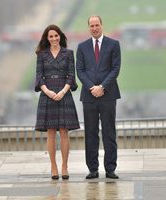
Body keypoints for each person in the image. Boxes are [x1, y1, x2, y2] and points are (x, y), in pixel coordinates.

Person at [76, 15, 121, 179]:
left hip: (108, 95)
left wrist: (102, 87)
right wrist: (91, 87)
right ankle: (93, 169)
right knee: (90, 132)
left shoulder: (113, 45)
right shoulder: (82, 47)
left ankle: (110, 169)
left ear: (102, 25)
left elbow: (115, 69)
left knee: (109, 132)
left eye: (97, 25)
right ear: (89, 27)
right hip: (89, 97)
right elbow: (80, 70)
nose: (94, 28)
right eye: (91, 26)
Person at [34, 24, 80, 180]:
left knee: (64, 131)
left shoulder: (68, 53)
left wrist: (62, 91)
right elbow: (39, 76)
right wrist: (47, 91)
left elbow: (71, 76)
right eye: (51, 36)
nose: (54, 39)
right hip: (47, 94)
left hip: (64, 93)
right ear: (47, 38)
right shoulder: (41, 55)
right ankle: (53, 166)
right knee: (51, 132)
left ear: (60, 36)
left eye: (56, 36)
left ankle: (64, 166)